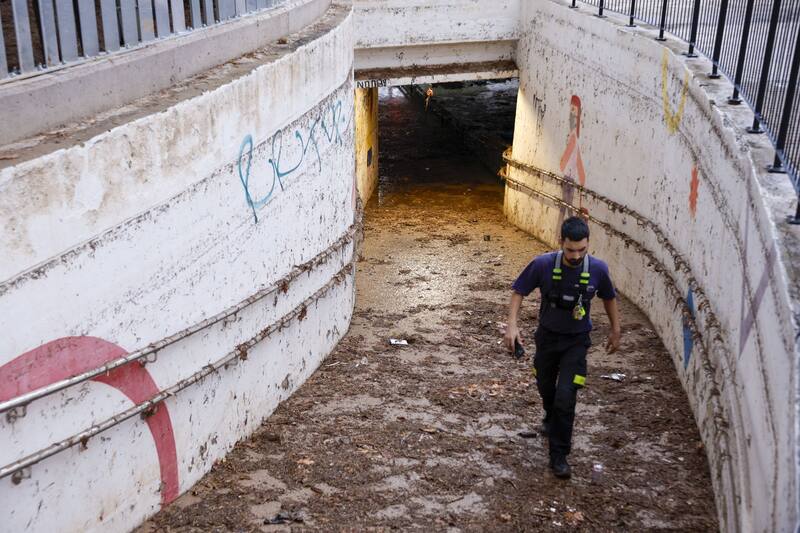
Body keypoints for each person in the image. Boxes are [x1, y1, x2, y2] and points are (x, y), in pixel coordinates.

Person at [504, 216, 621, 479]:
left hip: (577, 342)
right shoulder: (543, 264)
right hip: (547, 338)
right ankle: (549, 413)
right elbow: (519, 291)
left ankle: (559, 455)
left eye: (582, 249)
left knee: (566, 396)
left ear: (588, 244)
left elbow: (609, 298)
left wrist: (616, 331)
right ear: (561, 243)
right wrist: (512, 325)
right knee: (546, 385)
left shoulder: (598, 270)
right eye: (570, 250)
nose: (576, 256)